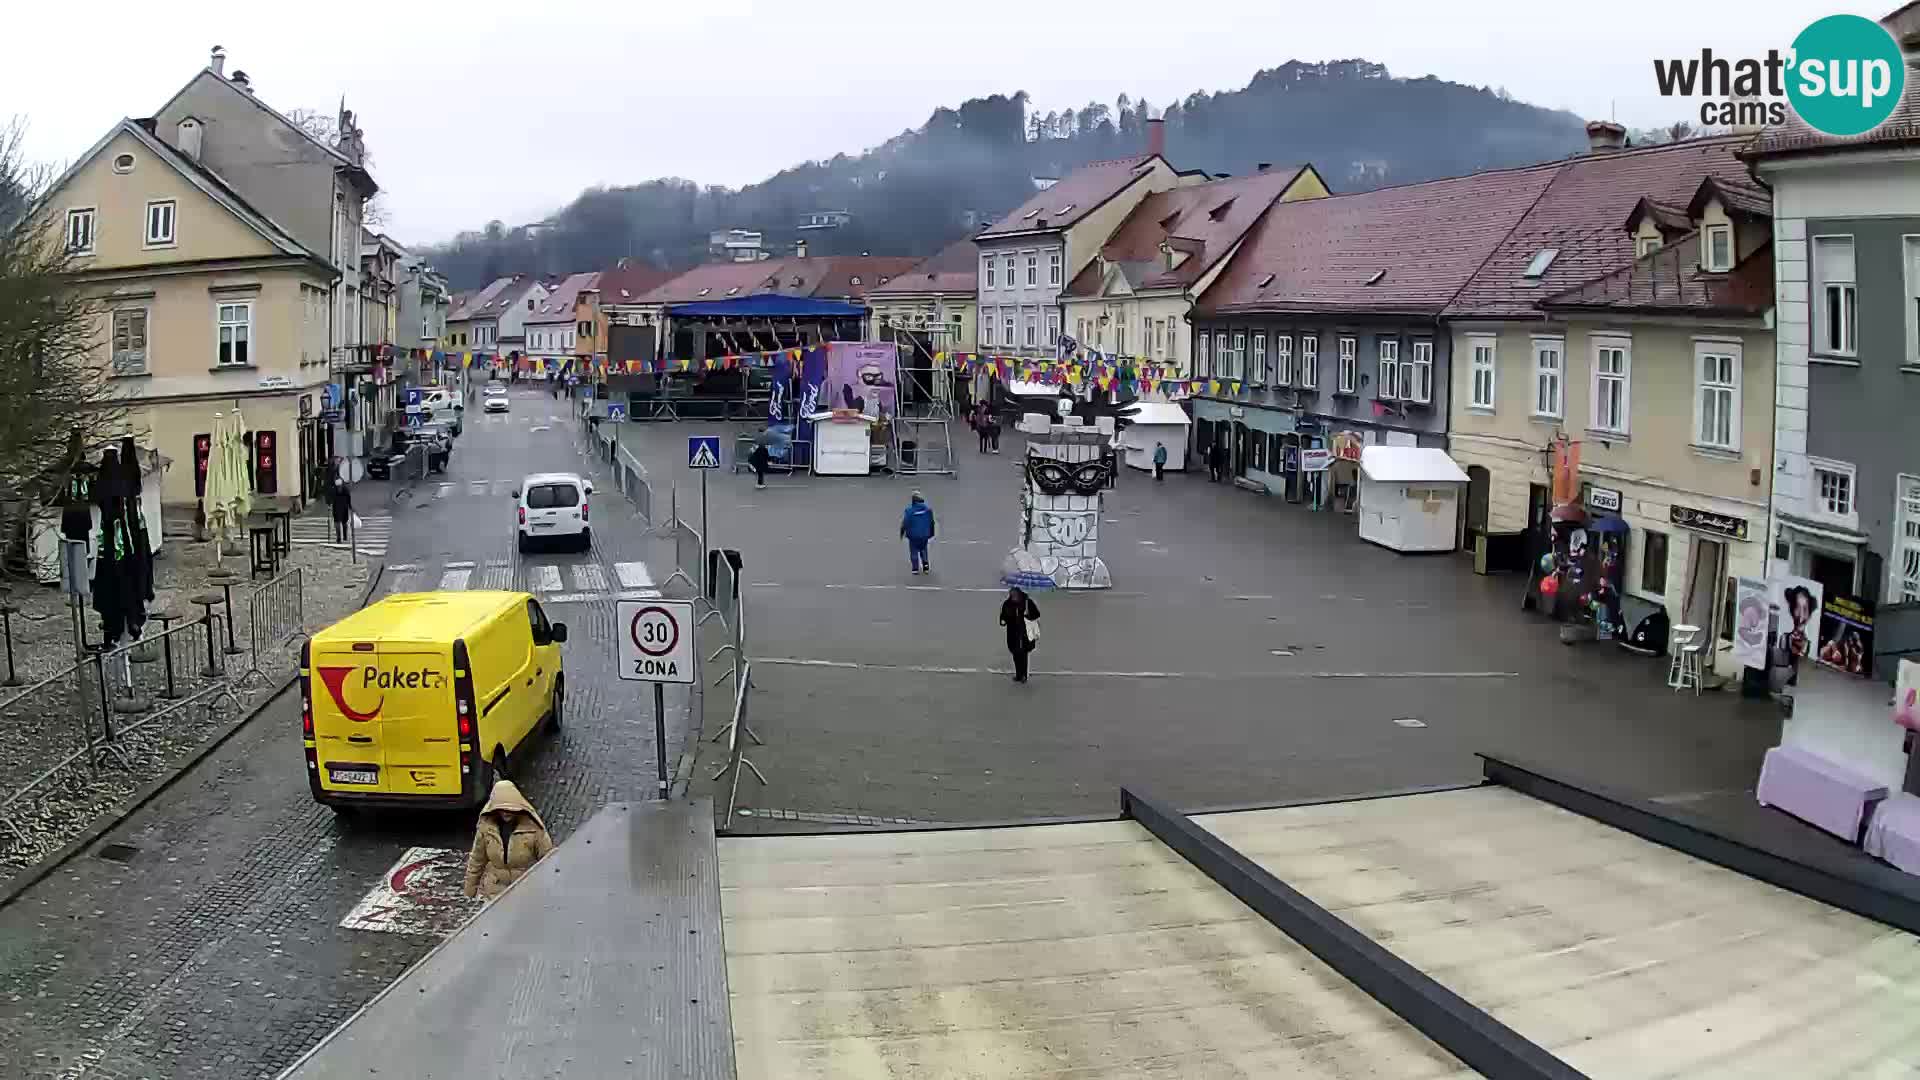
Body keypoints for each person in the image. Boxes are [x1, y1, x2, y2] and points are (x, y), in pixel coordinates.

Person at [462, 780, 555, 901]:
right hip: (494, 894)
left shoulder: (533, 829)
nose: (506, 812)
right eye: (502, 808)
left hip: (525, 893)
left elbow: (548, 860)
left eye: (511, 809)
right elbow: (476, 860)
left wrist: (550, 891)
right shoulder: (486, 829)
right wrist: (469, 891)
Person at [999, 586, 1040, 682]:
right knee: (1015, 654)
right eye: (1011, 593)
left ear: (1018, 593)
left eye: (1014, 593)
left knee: (1023, 654)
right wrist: (1003, 620)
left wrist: (1028, 615)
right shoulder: (1007, 603)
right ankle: (1018, 674)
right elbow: (1003, 615)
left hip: (1024, 633)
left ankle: (1023, 675)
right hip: (1012, 633)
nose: (1012, 595)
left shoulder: (1027, 602)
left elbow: (1036, 614)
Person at [900, 491, 936, 574]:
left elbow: (905, 523)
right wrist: (931, 533)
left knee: (914, 551)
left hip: (913, 536)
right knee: (924, 549)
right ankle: (926, 566)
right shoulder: (928, 510)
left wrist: (902, 532)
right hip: (924, 535)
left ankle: (915, 568)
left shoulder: (909, 511)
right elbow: (931, 522)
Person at [328, 457, 352, 543]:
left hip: (341, 503)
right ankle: (341, 537)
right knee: (339, 522)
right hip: (338, 503)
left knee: (342, 522)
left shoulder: (339, 472)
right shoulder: (334, 472)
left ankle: (342, 536)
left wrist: (349, 505)